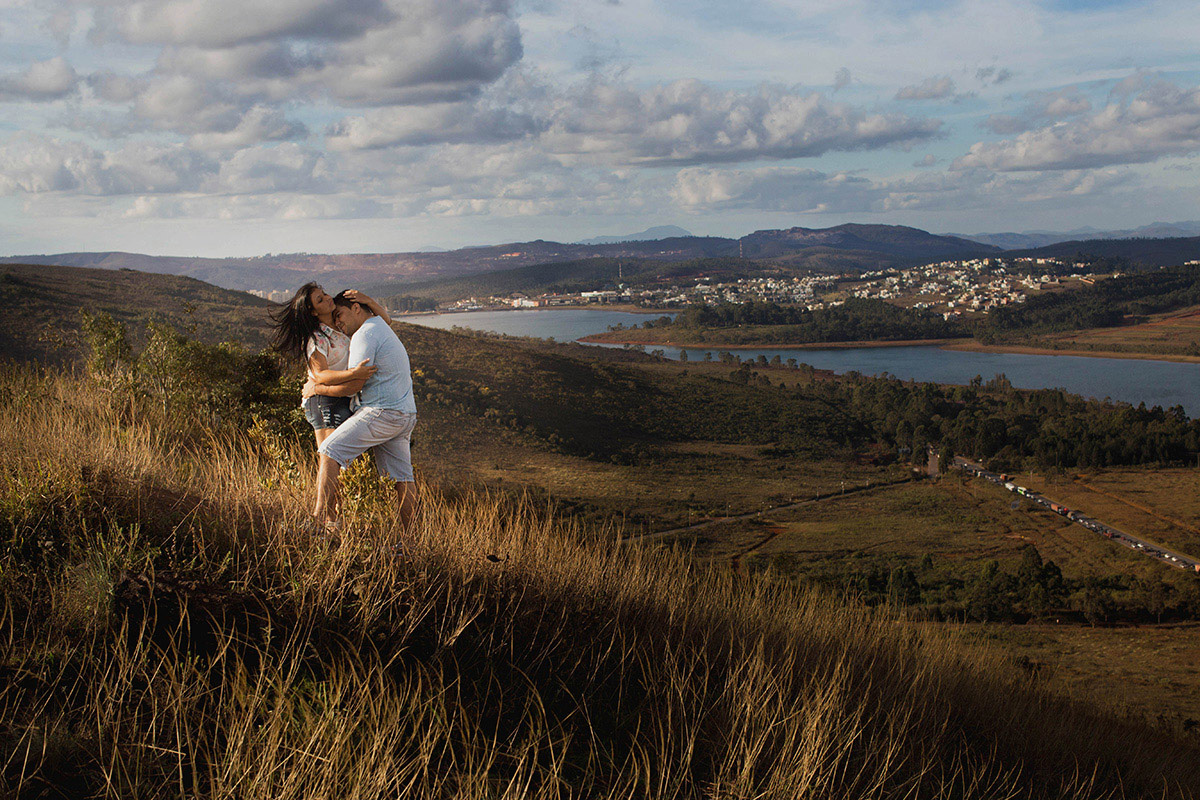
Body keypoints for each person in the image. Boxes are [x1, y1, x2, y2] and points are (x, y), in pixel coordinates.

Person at [268, 283, 390, 518]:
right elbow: (321, 374)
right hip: (324, 400)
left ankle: (334, 521)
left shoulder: (342, 323)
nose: (327, 298)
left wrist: (367, 300)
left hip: (343, 398)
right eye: (320, 299)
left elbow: (384, 322)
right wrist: (353, 374)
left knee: (340, 462)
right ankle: (321, 517)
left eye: (324, 294)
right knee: (331, 458)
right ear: (313, 312)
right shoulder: (316, 338)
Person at [306, 291, 419, 532]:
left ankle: (317, 521)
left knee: (329, 450)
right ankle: (410, 541)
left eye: (340, 315)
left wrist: (317, 388)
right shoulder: (380, 326)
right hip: (405, 413)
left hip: (382, 412)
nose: (338, 322)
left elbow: (354, 385)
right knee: (402, 477)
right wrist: (370, 301)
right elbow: (385, 318)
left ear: (356, 309)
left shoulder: (363, 335)